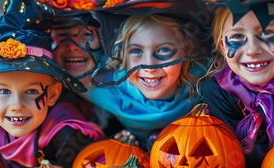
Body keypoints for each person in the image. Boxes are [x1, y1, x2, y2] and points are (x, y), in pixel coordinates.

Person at [0, 0, 104, 167]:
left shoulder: (66, 135)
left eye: (31, 91)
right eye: (4, 92)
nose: (16, 105)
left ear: (53, 94)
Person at [202, 1, 274, 166]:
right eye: (237, 36)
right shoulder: (218, 92)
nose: (252, 50)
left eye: (267, 33)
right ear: (222, 46)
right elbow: (224, 154)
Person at [86, 0, 211, 150]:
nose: (149, 66)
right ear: (122, 53)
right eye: (136, 51)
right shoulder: (107, 92)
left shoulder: (207, 86)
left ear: (188, 48)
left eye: (164, 50)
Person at [42, 0, 123, 136]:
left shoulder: (134, 90)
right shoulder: (40, 96)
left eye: (86, 35)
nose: (73, 46)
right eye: (62, 35)